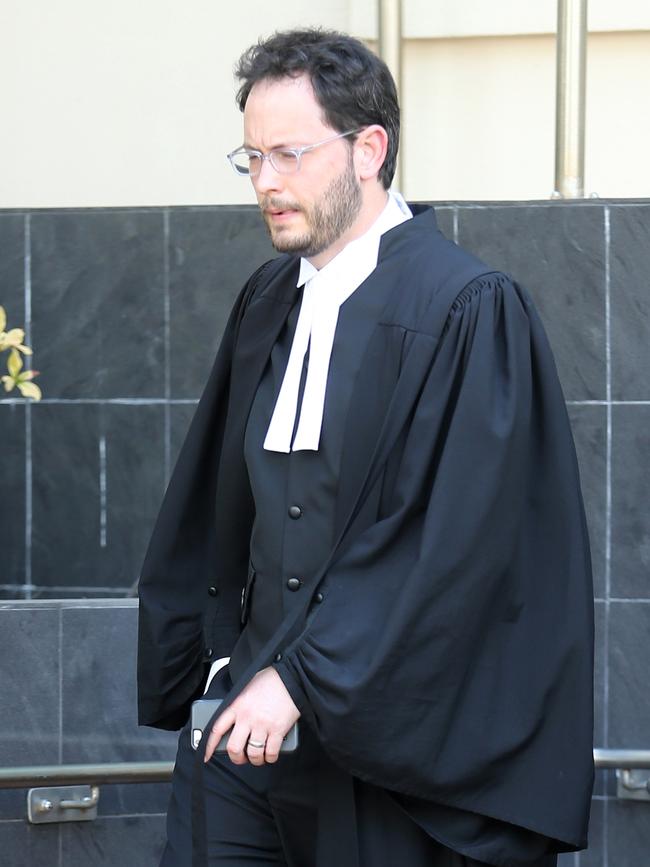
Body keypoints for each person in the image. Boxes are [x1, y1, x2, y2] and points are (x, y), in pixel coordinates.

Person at [137, 28, 594, 867]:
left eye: (289, 154)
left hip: (384, 754)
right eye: (252, 158)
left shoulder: (467, 308)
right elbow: (219, 497)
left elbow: (453, 545)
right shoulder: (268, 298)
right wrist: (213, 662)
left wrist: (305, 680)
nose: (267, 183)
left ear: (368, 150)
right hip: (246, 732)